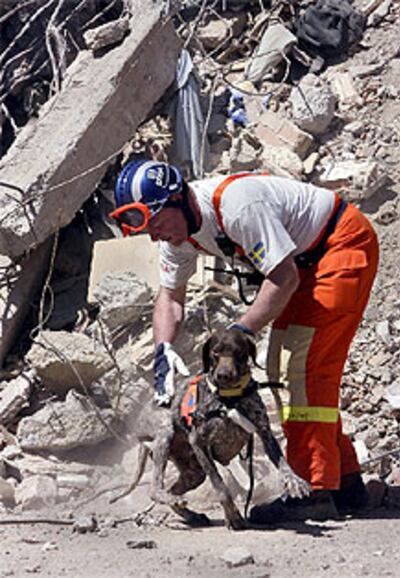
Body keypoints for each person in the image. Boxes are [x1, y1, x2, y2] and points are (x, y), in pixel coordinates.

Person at [110, 158, 379, 521]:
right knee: (283, 367)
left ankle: (315, 490)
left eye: (157, 225)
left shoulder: (238, 207)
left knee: (303, 366)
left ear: (177, 199)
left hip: (338, 246)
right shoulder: (179, 234)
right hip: (301, 263)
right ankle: (345, 483)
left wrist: (239, 332)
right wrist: (163, 351)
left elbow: (283, 277)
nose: (156, 237)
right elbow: (170, 298)